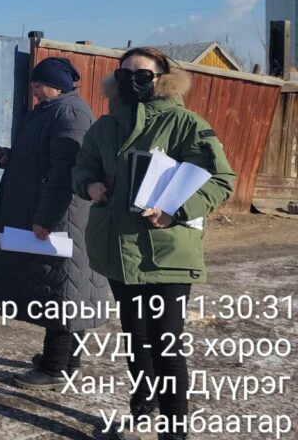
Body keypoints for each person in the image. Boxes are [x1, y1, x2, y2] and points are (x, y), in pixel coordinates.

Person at [72, 47, 234, 440]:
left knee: (165, 343)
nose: (132, 81)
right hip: (117, 249)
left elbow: (221, 179)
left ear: (162, 79)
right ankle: (142, 410)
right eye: (124, 74)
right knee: (135, 336)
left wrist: (176, 210)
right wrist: (89, 185)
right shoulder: (105, 127)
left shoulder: (185, 123)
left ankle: (174, 430)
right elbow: (83, 166)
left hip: (166, 253)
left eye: (142, 75)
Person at [0, 57, 109, 390]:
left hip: (64, 217)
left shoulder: (70, 114)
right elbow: (43, 158)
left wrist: (45, 219)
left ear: (57, 85)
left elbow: (64, 173)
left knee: (62, 291)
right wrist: (11, 157)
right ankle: (68, 362)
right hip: (55, 214)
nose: (34, 91)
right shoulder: (52, 111)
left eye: (38, 85)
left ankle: (54, 369)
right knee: (67, 289)